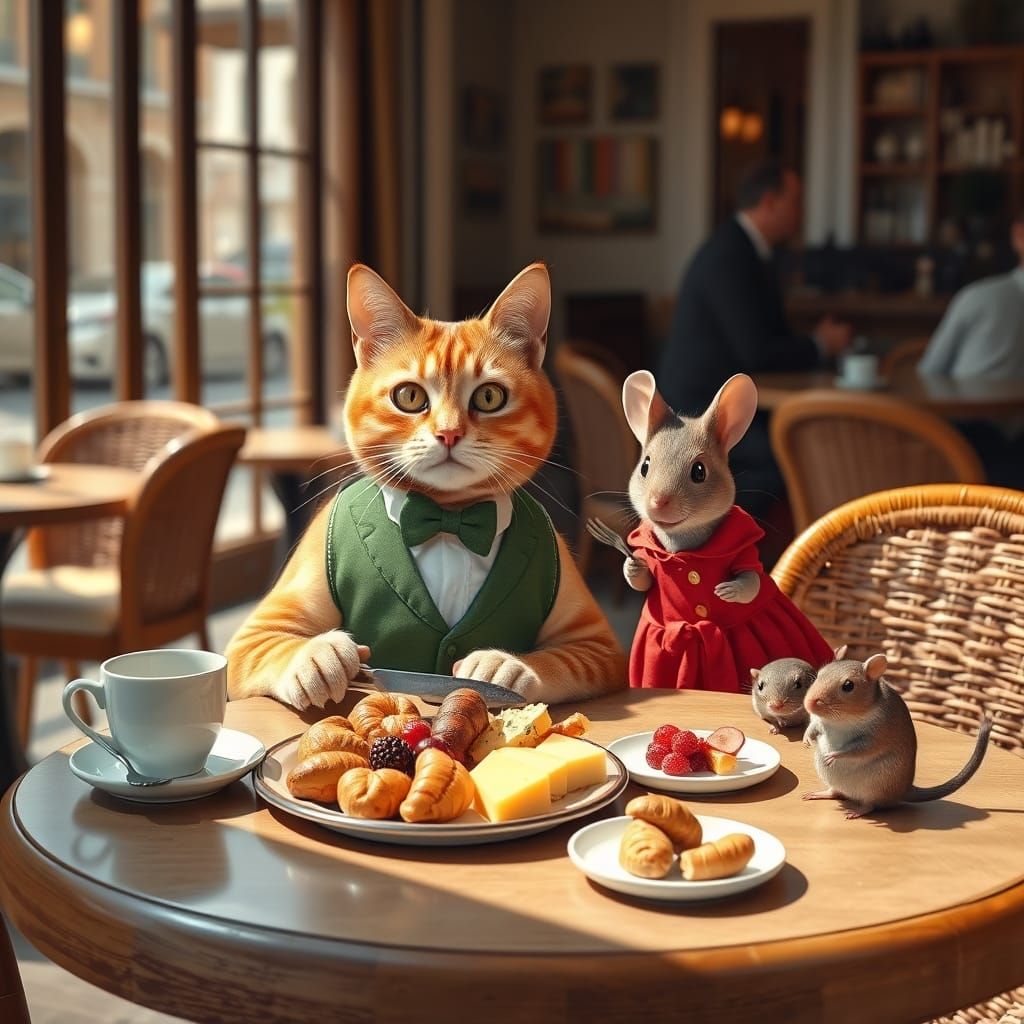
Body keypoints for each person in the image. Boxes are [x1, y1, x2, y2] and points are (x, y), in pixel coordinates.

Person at [659, 160, 853, 529]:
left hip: (718, 404)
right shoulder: (731, 256)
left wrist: (814, 344)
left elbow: (765, 341)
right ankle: (740, 560)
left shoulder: (745, 249)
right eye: (795, 202)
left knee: (807, 443)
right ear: (769, 202)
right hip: (694, 415)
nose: (800, 213)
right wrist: (819, 345)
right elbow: (757, 353)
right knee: (796, 451)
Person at [918, 215, 1024, 486]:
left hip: (962, 452)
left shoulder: (979, 297)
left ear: (1018, 235)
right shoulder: (980, 296)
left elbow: (927, 375)